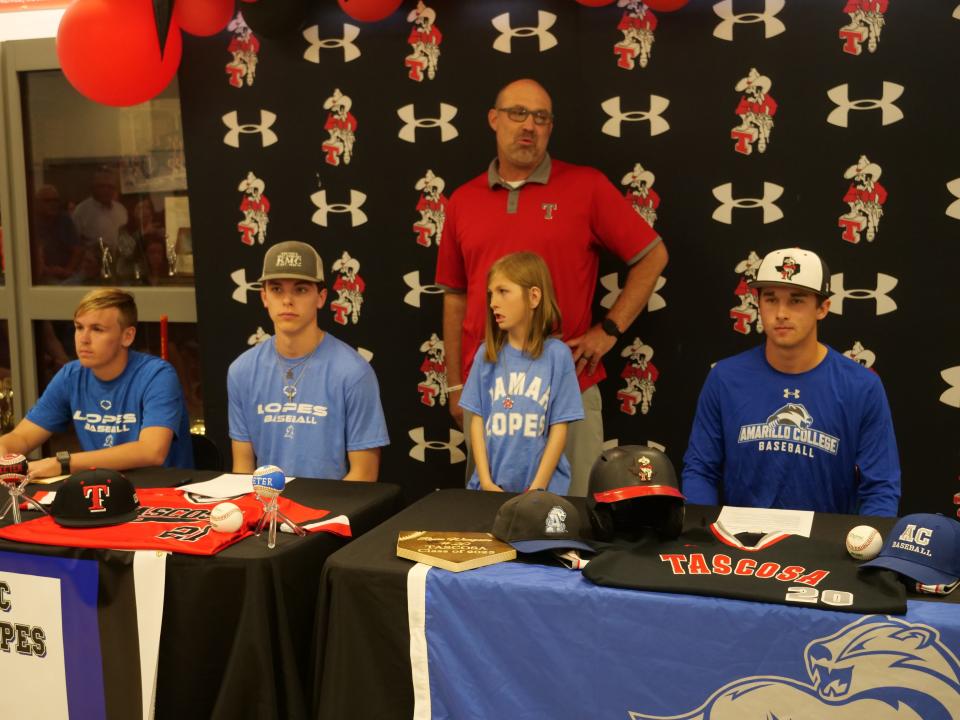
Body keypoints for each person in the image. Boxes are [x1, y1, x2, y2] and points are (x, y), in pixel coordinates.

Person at [436, 78, 668, 496]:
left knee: (572, 522)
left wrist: (609, 331)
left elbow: (652, 256)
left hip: (568, 386)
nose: (529, 125)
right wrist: (455, 384)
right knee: (491, 522)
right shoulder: (462, 201)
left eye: (541, 117)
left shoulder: (587, 187)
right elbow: (456, 297)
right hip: (490, 392)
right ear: (494, 119)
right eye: (517, 113)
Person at [681, 247, 900, 517]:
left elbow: (880, 487)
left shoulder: (862, 386)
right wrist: (702, 535)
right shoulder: (725, 378)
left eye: (796, 300)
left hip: (826, 549)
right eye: (771, 299)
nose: (781, 313)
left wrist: (863, 547)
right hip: (740, 549)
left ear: (823, 308)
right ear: (758, 304)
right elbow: (701, 470)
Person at [228, 241, 389, 480]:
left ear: (321, 298)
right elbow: (242, 468)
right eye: (276, 289)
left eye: (300, 289)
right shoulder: (241, 370)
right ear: (264, 297)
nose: (287, 300)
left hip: (332, 511)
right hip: (266, 511)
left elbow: (364, 475)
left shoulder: (353, 372)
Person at [0, 288, 194, 478]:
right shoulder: (71, 375)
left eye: (97, 329)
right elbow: (22, 437)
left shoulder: (157, 375)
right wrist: (4, 449)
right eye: (79, 327)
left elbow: (152, 451)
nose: (83, 339)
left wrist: (63, 463)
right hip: (101, 491)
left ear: (127, 336)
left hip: (161, 492)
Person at [460, 252, 583, 494]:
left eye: (503, 291)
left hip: (542, 492)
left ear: (534, 296)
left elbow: (559, 428)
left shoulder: (557, 356)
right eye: (491, 294)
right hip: (489, 488)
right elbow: (477, 421)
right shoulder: (487, 354)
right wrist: (485, 482)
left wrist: (538, 487)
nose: (493, 302)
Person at [31, 184, 83, 284]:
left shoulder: (64, 219)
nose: (53, 204)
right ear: (36, 203)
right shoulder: (31, 223)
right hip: (41, 276)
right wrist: (50, 271)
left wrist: (67, 271)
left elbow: (77, 250)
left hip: (67, 273)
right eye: (47, 201)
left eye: (55, 200)